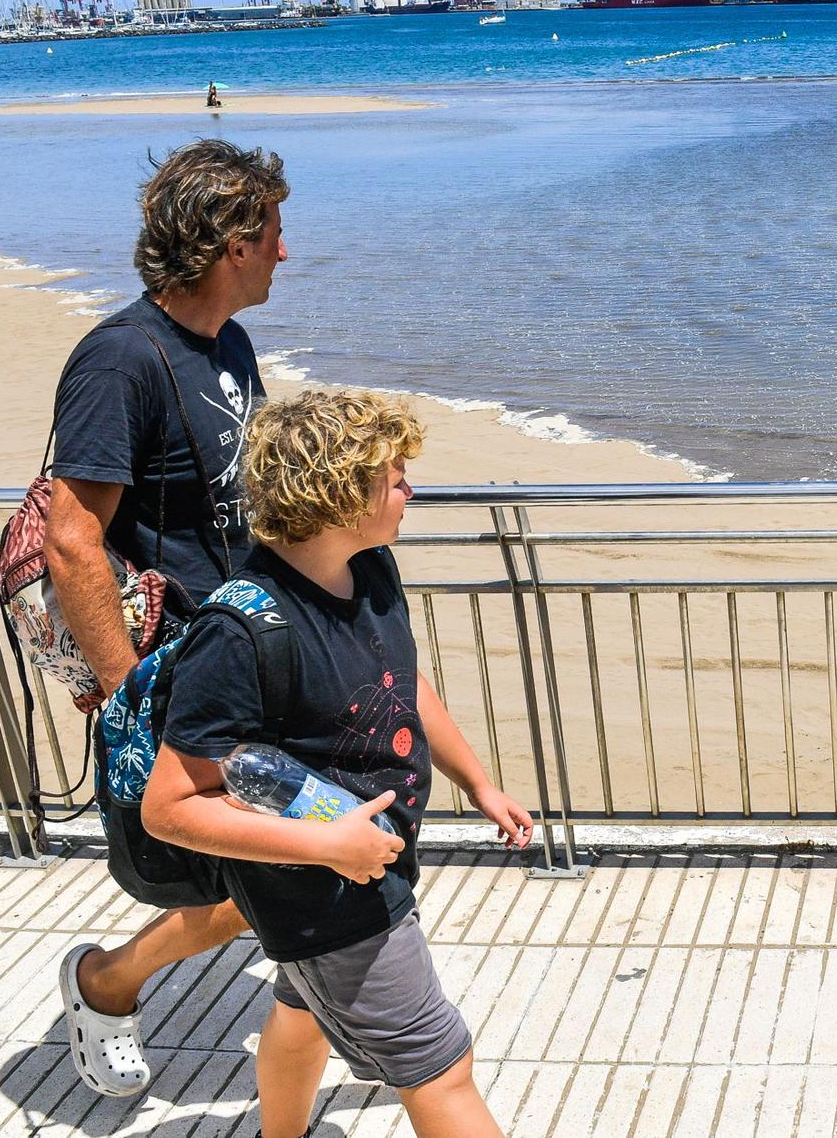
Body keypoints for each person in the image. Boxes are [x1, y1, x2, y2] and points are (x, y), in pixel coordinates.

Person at [143, 390, 534, 1138]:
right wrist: (328, 845)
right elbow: (172, 806)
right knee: (440, 1068)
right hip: (324, 892)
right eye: (394, 476)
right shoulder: (238, 632)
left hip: (368, 860)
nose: (409, 489)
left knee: (301, 1011)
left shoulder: (371, 569)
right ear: (339, 493)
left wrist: (478, 782)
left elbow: (401, 680)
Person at [52, 139, 288, 1097]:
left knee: (289, 871)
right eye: (273, 231)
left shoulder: (229, 345)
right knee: (254, 884)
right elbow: (73, 538)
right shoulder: (120, 359)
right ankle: (106, 983)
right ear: (231, 241)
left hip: (248, 652)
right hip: (177, 674)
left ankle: (326, 1042)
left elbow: (241, 500)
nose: (286, 251)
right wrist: (126, 697)